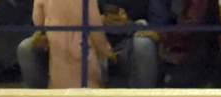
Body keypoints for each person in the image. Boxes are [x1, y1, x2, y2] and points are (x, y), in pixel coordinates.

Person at [21, 0, 160, 88]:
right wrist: (42, 34)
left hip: (124, 43)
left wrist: (130, 25)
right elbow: (39, 17)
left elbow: (156, 21)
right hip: (76, 42)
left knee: (144, 46)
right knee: (26, 48)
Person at [30, 0, 116, 87]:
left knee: (60, 83)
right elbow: (94, 25)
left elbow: (38, 19)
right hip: (81, 44)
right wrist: (107, 51)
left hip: (56, 45)